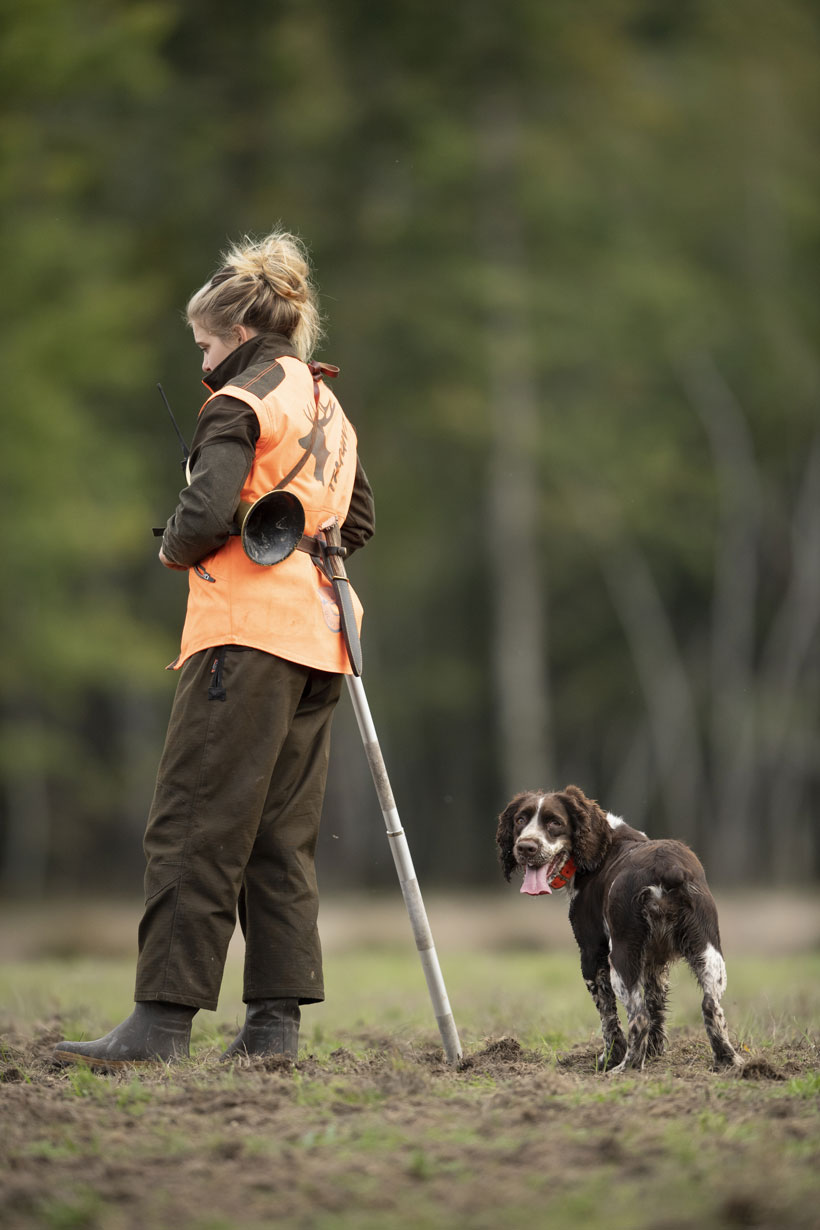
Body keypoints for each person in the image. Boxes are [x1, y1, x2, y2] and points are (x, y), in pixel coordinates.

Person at [53, 230, 375, 1068]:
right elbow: (360, 522)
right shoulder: (322, 400)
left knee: (195, 823)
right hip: (323, 640)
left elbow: (199, 521)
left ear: (233, 334)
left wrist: (171, 546)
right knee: (279, 837)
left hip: (245, 639)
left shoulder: (237, 401)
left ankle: (159, 1023)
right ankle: (274, 1030)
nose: (201, 360)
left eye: (203, 344)